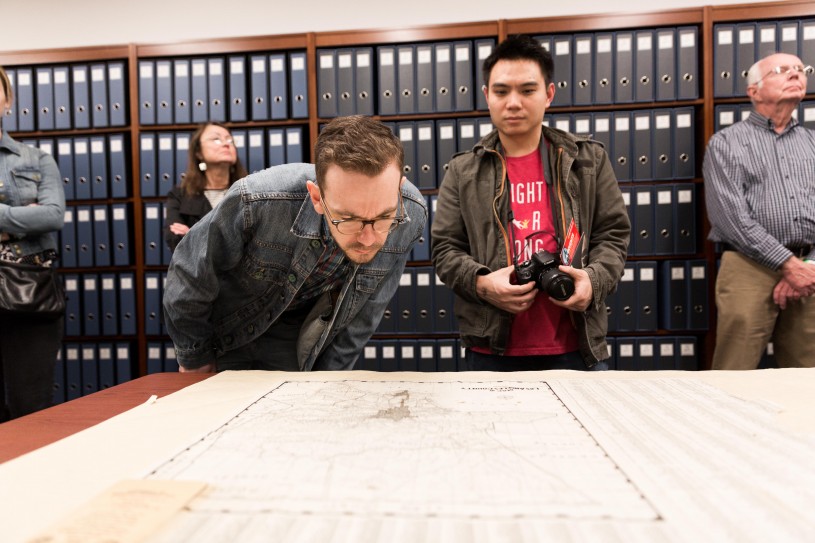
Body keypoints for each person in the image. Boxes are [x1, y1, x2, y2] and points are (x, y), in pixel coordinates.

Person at [163, 115, 427, 372]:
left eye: (383, 217)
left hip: (296, 337)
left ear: (399, 190)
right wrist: (195, 358)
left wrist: (328, 382)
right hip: (227, 331)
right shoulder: (258, 200)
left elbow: (365, 314)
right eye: (348, 219)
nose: (369, 239)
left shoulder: (411, 213)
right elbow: (189, 272)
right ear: (316, 197)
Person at [431, 35, 630, 372]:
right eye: (501, 91)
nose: (513, 103)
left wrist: (592, 283)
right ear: (486, 97)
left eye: (527, 90)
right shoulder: (463, 170)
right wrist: (482, 284)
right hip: (491, 349)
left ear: (548, 94)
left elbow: (612, 235)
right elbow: (445, 249)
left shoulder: (588, 160)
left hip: (577, 346)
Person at [703, 52, 815, 370]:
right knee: (734, 370)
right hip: (748, 267)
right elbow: (729, 217)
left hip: (810, 270)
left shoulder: (812, 143)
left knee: (808, 374)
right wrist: (786, 264)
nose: (795, 74)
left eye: (800, 69)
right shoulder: (726, 143)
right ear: (753, 91)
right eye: (782, 70)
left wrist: (806, 265)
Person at [0, 66, 66, 420]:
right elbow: (37, 217)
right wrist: (19, 215)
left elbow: (53, 216)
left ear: (7, 101)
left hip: (30, 292)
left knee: (31, 409)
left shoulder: (36, 159)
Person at [164, 122, 247, 252]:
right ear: (198, 153)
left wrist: (194, 236)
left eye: (230, 140)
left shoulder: (251, 192)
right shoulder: (179, 194)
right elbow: (175, 240)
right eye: (216, 139)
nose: (226, 144)